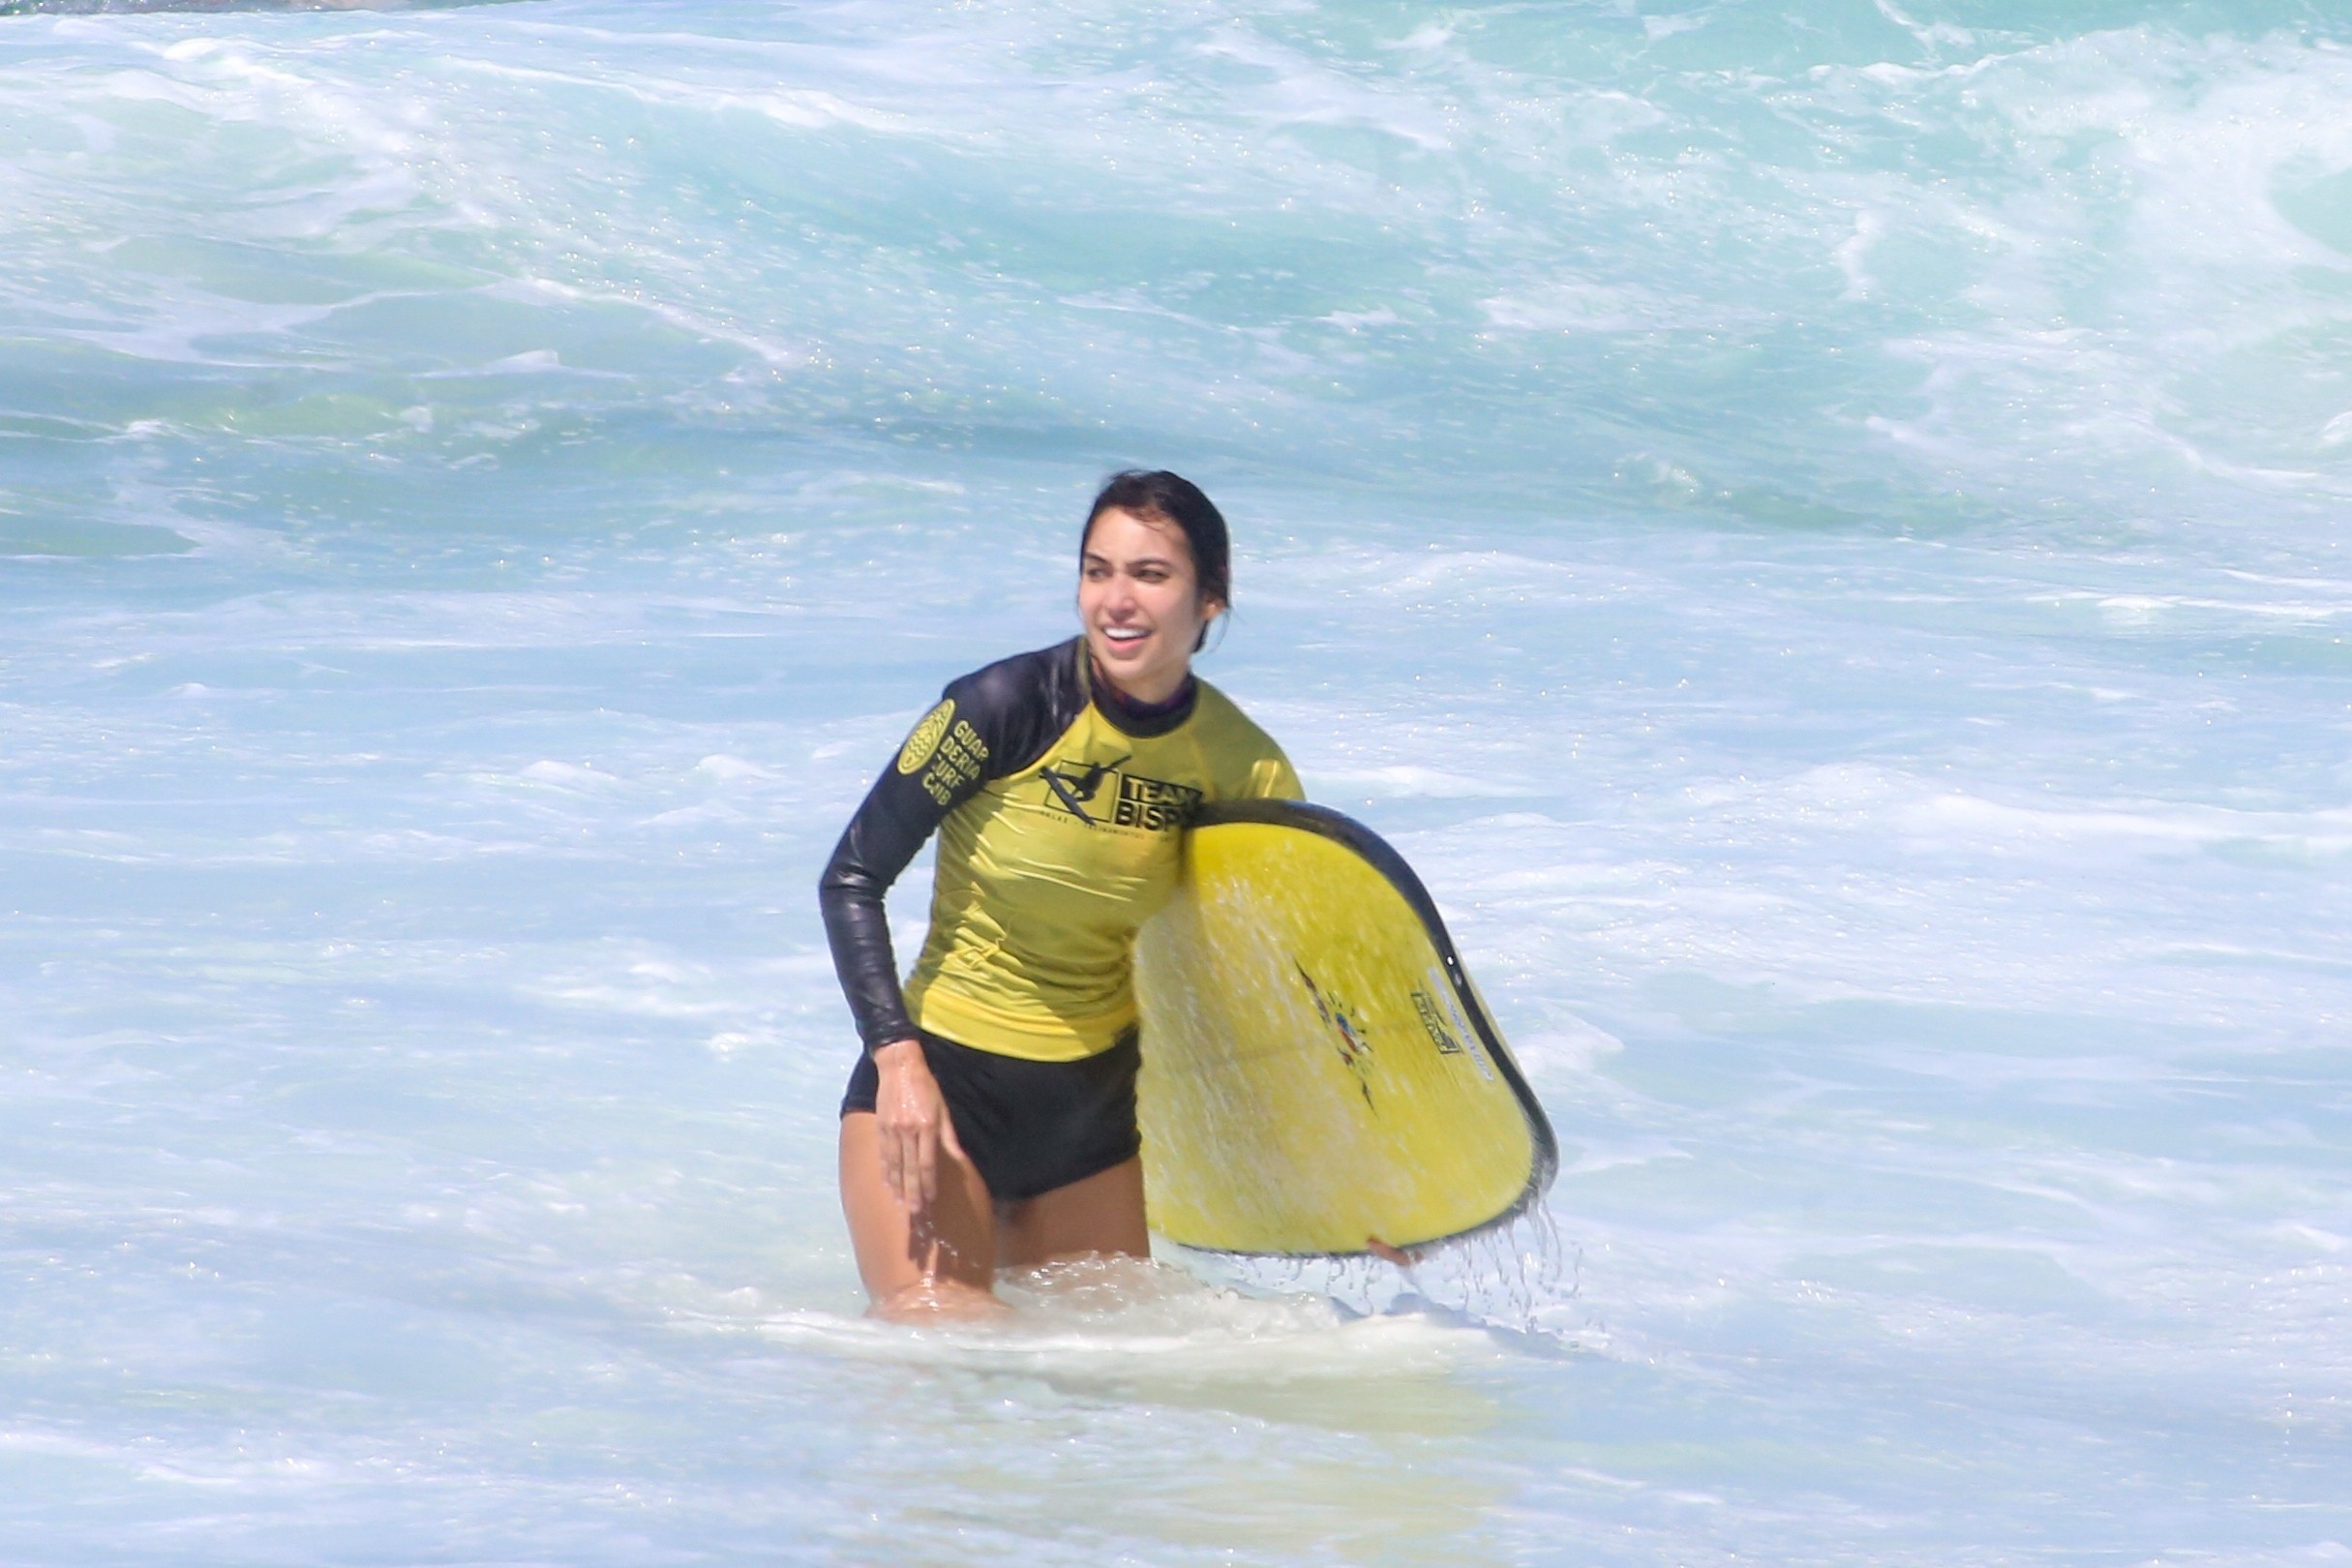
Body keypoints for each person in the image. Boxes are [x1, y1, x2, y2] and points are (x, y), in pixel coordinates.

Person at [819, 470, 1301, 1318]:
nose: (1115, 600)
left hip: (1090, 1118)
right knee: (946, 1339)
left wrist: (1360, 1191)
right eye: (1097, 570)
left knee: (1102, 1381)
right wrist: (898, 1065)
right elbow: (851, 877)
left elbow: (1282, 979)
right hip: (941, 1090)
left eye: (1150, 575)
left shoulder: (1241, 764)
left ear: (1211, 601)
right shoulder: (1000, 708)